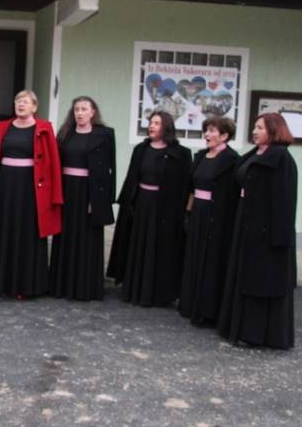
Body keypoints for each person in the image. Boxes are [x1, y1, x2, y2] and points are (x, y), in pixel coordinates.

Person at [218, 113, 297, 349]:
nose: (254, 131)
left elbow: (284, 201)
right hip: (246, 223)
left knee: (261, 283)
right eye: (254, 127)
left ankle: (258, 334)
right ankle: (238, 327)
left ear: (274, 130)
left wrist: (277, 238)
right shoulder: (256, 154)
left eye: (260, 128)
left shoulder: (281, 159)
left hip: (265, 231)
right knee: (243, 276)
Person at [107, 111, 192, 307]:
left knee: (157, 246)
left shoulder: (180, 154)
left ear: (166, 127)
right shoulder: (141, 149)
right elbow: (132, 178)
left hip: (163, 208)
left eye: (157, 123)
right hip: (141, 203)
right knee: (137, 243)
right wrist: (128, 203)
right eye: (151, 122)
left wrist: (181, 213)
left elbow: (184, 186)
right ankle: (133, 286)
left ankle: (155, 292)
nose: (151, 126)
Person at [0, 90, 62, 298]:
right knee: (4, 230)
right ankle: (0, 283)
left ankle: (27, 286)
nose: (20, 104)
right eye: (18, 101)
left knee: (28, 233)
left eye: (25, 101)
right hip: (5, 187)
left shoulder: (44, 128)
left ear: (34, 107)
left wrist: (55, 196)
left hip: (31, 189)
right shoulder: (2, 127)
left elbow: (53, 163)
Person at [48, 96, 115, 301]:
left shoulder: (104, 135)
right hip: (67, 190)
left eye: (84, 109)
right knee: (65, 236)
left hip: (90, 191)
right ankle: (62, 285)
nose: (80, 113)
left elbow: (109, 170)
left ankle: (85, 287)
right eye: (77, 109)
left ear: (93, 112)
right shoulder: (65, 133)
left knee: (87, 238)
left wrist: (99, 200)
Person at [178, 117, 239, 326]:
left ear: (224, 135)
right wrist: (188, 212)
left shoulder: (232, 160)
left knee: (211, 260)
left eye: (212, 131)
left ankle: (207, 310)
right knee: (193, 256)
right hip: (198, 213)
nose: (207, 134)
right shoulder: (201, 156)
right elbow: (192, 188)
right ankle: (190, 304)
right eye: (206, 130)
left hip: (216, 217)